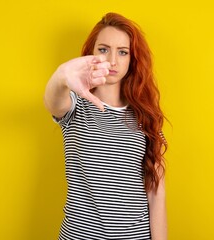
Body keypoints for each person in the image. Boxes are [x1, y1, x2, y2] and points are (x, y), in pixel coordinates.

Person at [44, 12, 168, 240]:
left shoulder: (145, 115)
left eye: (123, 52)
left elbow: (156, 191)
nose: (112, 60)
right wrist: (61, 76)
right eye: (103, 49)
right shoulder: (74, 104)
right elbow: (52, 102)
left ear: (132, 59)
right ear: (91, 53)